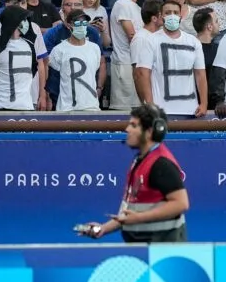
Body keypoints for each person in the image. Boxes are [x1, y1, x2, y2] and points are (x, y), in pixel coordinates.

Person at [78, 103, 189, 242]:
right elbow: (130, 211)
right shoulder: (139, 160)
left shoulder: (161, 164)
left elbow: (181, 204)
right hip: (142, 248)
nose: (127, 129)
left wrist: (139, 218)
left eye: (134, 125)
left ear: (149, 131)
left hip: (162, 251)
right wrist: (104, 228)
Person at [132, 0, 208, 118]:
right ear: (161, 16)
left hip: (190, 110)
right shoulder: (150, 41)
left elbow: (200, 74)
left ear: (181, 16)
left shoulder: (194, 42)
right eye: (168, 13)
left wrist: (204, 103)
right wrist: (150, 105)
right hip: (161, 111)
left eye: (176, 12)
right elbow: (143, 74)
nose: (172, 15)